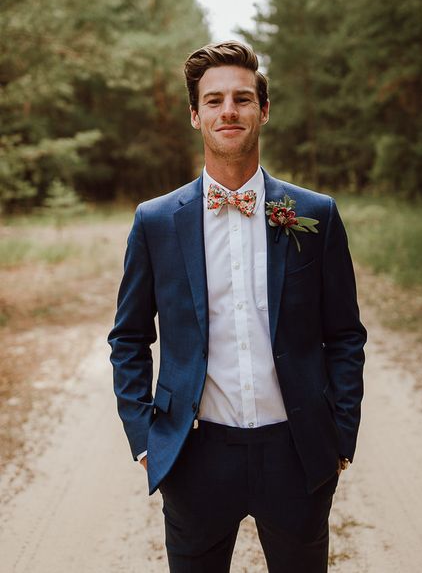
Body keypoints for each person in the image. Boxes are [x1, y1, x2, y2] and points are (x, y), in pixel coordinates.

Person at [108, 41, 366, 572]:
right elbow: (129, 339)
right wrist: (145, 439)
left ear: (263, 110)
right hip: (195, 458)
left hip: (297, 456)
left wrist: (340, 432)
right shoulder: (155, 222)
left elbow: (344, 335)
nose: (229, 111)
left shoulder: (315, 214)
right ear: (195, 115)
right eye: (215, 100)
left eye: (243, 99)